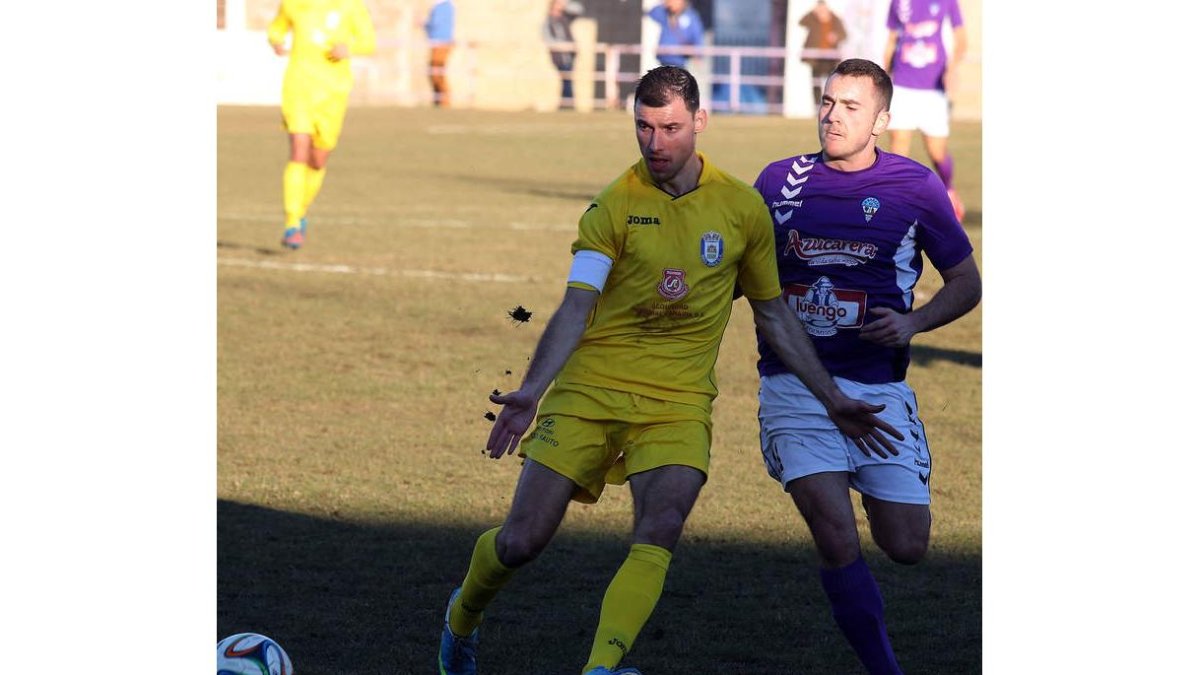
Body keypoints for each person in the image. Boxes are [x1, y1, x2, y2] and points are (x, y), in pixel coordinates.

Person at [437, 65, 902, 675]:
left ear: (700, 123)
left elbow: (775, 316)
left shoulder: (740, 209)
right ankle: (461, 619)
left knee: (660, 525)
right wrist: (532, 389)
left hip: (678, 401)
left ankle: (601, 667)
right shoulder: (612, 206)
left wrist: (832, 397)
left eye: (671, 127)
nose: (656, 144)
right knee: (521, 541)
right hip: (590, 391)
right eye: (644, 127)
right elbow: (577, 305)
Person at [750, 58, 981, 674]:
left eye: (850, 107)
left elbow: (965, 282)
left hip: (880, 391)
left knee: (906, 545)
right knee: (835, 533)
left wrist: (913, 323)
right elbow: (738, 274)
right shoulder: (778, 182)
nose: (832, 116)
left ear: (882, 119)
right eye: (827, 102)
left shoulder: (916, 186)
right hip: (795, 385)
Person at [267, 0, 376, 250]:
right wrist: (275, 40)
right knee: (298, 151)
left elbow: (368, 42)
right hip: (299, 86)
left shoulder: (351, 6)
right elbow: (277, 27)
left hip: (333, 92)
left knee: (317, 160)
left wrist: (348, 47)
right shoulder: (293, 4)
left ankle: (301, 211)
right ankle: (292, 223)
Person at [881, 0, 967, 221]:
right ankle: (895, 203)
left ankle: (949, 191)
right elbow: (891, 39)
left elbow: (962, 40)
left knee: (937, 152)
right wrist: (882, 75)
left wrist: (952, 69)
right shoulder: (898, 3)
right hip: (902, 84)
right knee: (899, 146)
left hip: (933, 88)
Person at [798, 0, 847, 111]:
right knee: (815, 83)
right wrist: (812, 13)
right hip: (816, 58)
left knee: (832, 83)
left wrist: (836, 37)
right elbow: (801, 22)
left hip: (830, 58)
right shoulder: (813, 19)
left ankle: (831, 106)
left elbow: (843, 35)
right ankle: (817, 108)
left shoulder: (834, 19)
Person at [544, 0, 584, 108]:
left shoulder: (564, 18)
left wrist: (566, 4)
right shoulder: (549, 21)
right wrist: (562, 46)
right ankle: (568, 104)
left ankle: (565, 104)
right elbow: (548, 39)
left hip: (569, 56)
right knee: (566, 79)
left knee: (566, 79)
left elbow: (579, 10)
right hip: (559, 57)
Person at [646, 0, 704, 68]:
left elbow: (697, 36)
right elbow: (652, 13)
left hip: (679, 61)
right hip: (662, 60)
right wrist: (664, 4)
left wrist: (698, 55)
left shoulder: (691, 16)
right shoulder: (664, 13)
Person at [424, 0, 455, 107]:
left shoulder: (444, 6)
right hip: (436, 42)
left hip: (441, 42)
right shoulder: (441, 5)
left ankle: (444, 101)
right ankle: (438, 100)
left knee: (437, 71)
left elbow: (436, 24)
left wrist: (424, 24)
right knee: (433, 71)